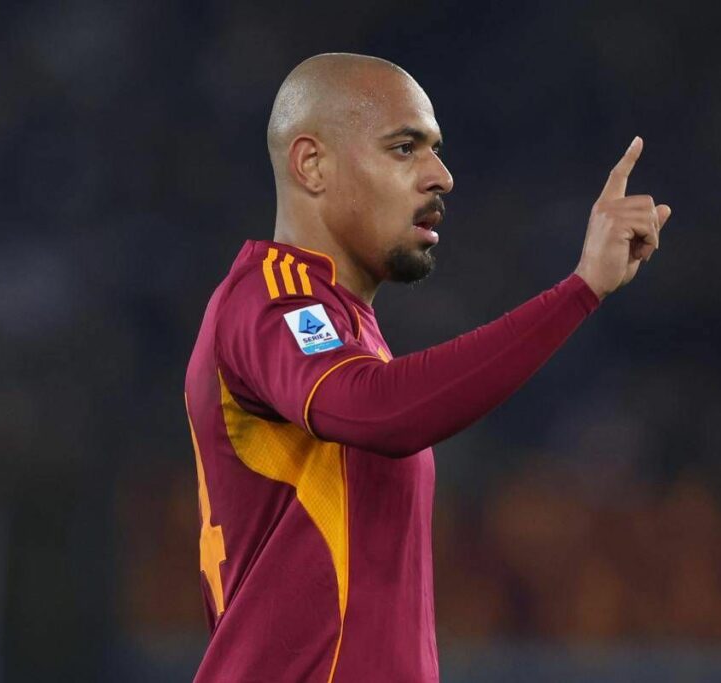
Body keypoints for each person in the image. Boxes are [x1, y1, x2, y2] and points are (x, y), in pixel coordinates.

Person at [184, 52, 670, 682]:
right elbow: (377, 408)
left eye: (435, 150)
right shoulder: (271, 298)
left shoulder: (345, 328)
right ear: (312, 164)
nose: (442, 176)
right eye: (404, 148)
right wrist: (580, 290)